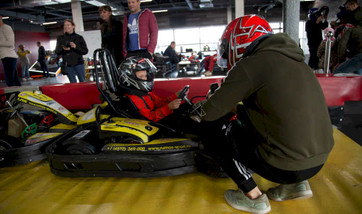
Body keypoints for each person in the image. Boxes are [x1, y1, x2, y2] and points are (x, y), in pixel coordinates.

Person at [199, 15, 334, 214]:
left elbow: (209, 113)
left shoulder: (252, 65)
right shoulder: (296, 60)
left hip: (284, 167)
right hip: (317, 162)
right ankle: (297, 186)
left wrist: (209, 104)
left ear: (241, 39)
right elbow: (275, 113)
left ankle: (252, 196)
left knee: (211, 128)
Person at [119, 57, 186, 122]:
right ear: (129, 78)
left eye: (145, 76)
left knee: (184, 108)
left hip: (156, 118)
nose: (145, 79)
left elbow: (159, 102)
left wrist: (175, 96)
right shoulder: (133, 98)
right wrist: (168, 108)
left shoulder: (145, 92)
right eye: (141, 76)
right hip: (152, 125)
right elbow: (148, 118)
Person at [0, 15, 21, 86]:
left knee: (10, 80)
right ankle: (19, 94)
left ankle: (13, 95)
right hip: (4, 57)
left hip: (9, 57)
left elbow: (11, 43)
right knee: (14, 80)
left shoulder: (6, 28)